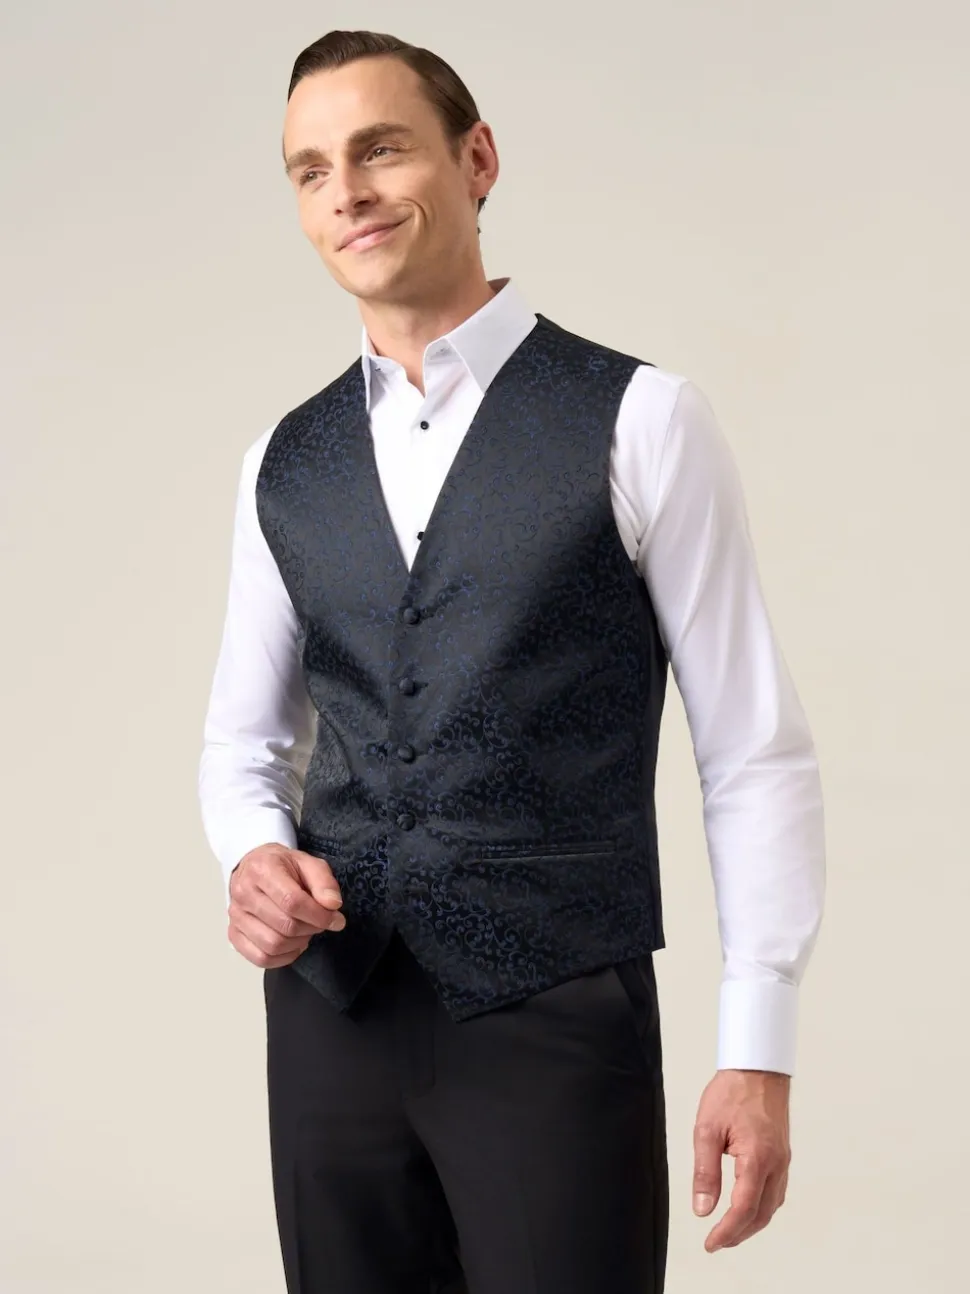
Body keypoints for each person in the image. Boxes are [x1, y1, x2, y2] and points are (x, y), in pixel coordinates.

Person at [197, 28, 826, 1294]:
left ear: (476, 159)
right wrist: (251, 853)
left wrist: (756, 1045)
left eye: (380, 150)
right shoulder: (282, 462)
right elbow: (244, 744)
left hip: (553, 1015)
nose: (347, 193)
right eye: (312, 171)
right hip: (332, 1020)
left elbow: (752, 749)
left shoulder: (643, 419)